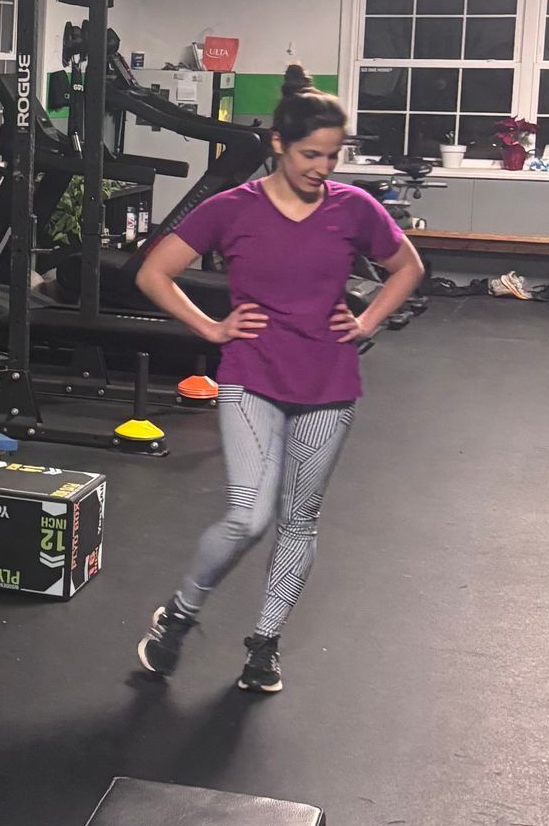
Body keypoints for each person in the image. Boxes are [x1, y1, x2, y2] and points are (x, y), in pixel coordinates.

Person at [134, 66, 423, 694]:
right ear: (278, 145)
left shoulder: (355, 208)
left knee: (300, 518)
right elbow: (154, 272)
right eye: (310, 155)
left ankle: (264, 642)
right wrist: (211, 328)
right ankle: (179, 615)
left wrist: (369, 319)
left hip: (330, 381)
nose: (323, 167)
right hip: (251, 377)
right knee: (248, 515)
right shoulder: (229, 209)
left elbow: (407, 267)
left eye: (333, 155)